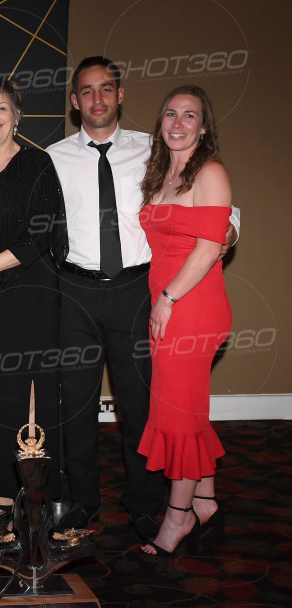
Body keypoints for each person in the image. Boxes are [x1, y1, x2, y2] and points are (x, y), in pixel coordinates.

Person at [45, 57, 165, 543]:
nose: (97, 99)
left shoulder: (154, 149)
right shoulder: (52, 157)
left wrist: (229, 225)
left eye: (106, 89)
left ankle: (144, 503)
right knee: (77, 404)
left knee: (139, 403)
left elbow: (204, 186)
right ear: (75, 101)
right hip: (74, 290)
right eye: (87, 91)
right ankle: (84, 501)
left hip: (135, 289)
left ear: (120, 95)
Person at [0, 77, 67, 531]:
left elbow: (42, 234)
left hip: (30, 292)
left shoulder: (36, 163)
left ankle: (32, 498)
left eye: (2, 108)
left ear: (17, 116)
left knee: (29, 393)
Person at [137, 85, 231, 555]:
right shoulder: (161, 176)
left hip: (191, 306)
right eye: (171, 113)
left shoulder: (210, 172)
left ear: (204, 127)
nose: (178, 123)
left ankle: (179, 518)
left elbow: (211, 246)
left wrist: (169, 297)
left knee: (178, 415)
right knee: (186, 408)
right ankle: (205, 502)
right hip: (168, 305)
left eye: (189, 115)